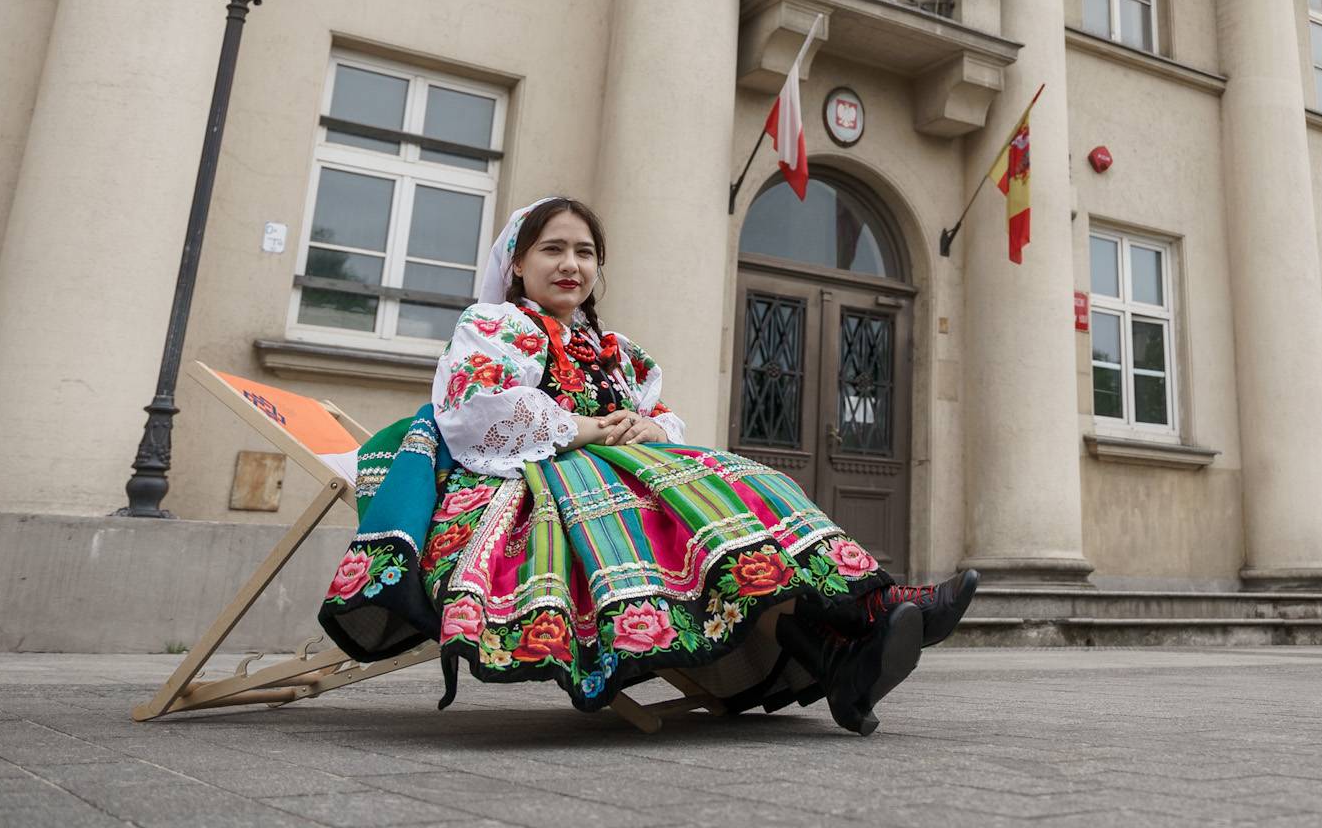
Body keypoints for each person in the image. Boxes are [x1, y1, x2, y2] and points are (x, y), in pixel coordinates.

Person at [319, 195, 975, 735]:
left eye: (584, 252)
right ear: (517, 263)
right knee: (681, 512)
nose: (570, 264)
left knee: (749, 483)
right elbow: (474, 407)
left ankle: (866, 617)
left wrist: (649, 425)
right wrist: (578, 427)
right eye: (552, 249)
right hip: (530, 479)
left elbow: (659, 412)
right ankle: (847, 645)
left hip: (625, 465)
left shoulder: (611, 348)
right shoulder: (495, 326)